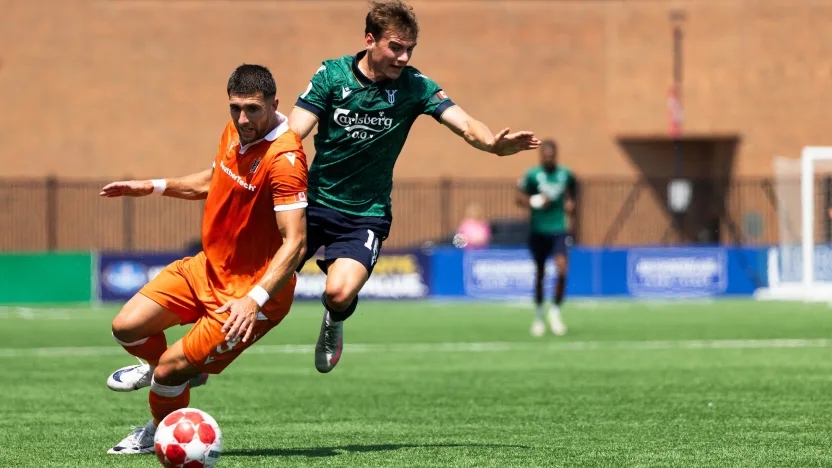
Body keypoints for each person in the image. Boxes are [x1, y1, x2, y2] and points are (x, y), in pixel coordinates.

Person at [288, 0, 541, 373]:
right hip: (314, 203)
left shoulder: (415, 86)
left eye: (410, 49)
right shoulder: (332, 75)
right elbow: (293, 133)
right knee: (267, 281)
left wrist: (490, 144)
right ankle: (210, 348)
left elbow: (466, 123)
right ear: (369, 40)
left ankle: (334, 322)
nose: (404, 57)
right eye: (395, 47)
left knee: (338, 293)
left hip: (366, 215)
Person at [99, 64, 308, 454]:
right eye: (235, 108)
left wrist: (254, 300)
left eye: (252, 110)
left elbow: (295, 243)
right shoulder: (235, 131)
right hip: (207, 269)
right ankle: (176, 371)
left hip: (247, 297)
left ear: (274, 104)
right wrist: (154, 186)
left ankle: (159, 432)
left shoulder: (285, 159)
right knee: (126, 328)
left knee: (168, 373)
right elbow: (213, 180)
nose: (243, 119)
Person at [516, 139, 576, 337]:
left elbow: (574, 192)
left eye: (551, 156)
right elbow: (519, 197)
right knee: (540, 274)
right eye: (545, 156)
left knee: (562, 270)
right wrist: (533, 201)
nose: (548, 159)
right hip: (538, 230)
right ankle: (539, 315)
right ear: (541, 155)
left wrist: (570, 203)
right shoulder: (532, 175)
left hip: (558, 228)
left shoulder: (565, 174)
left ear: (555, 156)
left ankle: (555, 311)